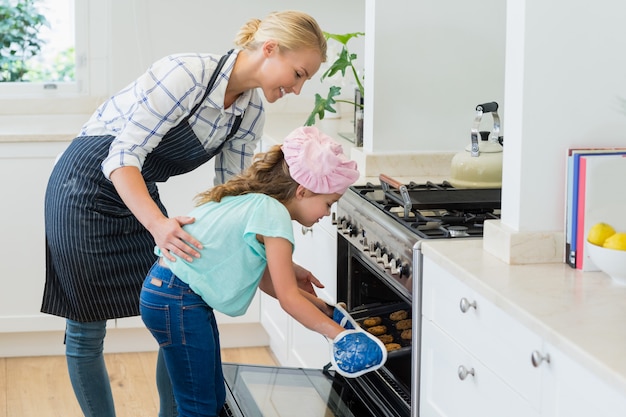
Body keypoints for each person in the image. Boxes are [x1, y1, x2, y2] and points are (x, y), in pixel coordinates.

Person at [42, 10, 328, 417]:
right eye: (298, 73)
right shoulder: (187, 73)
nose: (298, 88)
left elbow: (236, 199)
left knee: (178, 301)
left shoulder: (250, 113)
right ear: (270, 49)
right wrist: (158, 224)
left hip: (138, 188)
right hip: (83, 187)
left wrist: (279, 262)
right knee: (86, 329)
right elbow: (121, 157)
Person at [140, 126, 387, 417]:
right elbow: (288, 299)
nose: (327, 213)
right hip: (178, 300)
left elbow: (270, 282)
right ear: (303, 190)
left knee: (210, 396)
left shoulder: (259, 203)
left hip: (169, 294)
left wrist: (327, 309)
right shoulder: (275, 214)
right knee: (199, 406)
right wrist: (341, 337)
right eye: (328, 203)